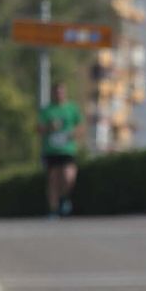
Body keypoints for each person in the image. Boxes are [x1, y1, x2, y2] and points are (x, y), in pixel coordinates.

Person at [37, 83, 83, 219]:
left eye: (61, 92)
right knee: (53, 180)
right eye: (56, 92)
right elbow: (38, 129)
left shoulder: (72, 108)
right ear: (52, 93)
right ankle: (53, 210)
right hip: (51, 150)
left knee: (68, 177)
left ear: (65, 93)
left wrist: (74, 134)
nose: (59, 94)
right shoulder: (47, 110)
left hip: (67, 149)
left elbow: (80, 126)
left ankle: (64, 198)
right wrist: (49, 127)